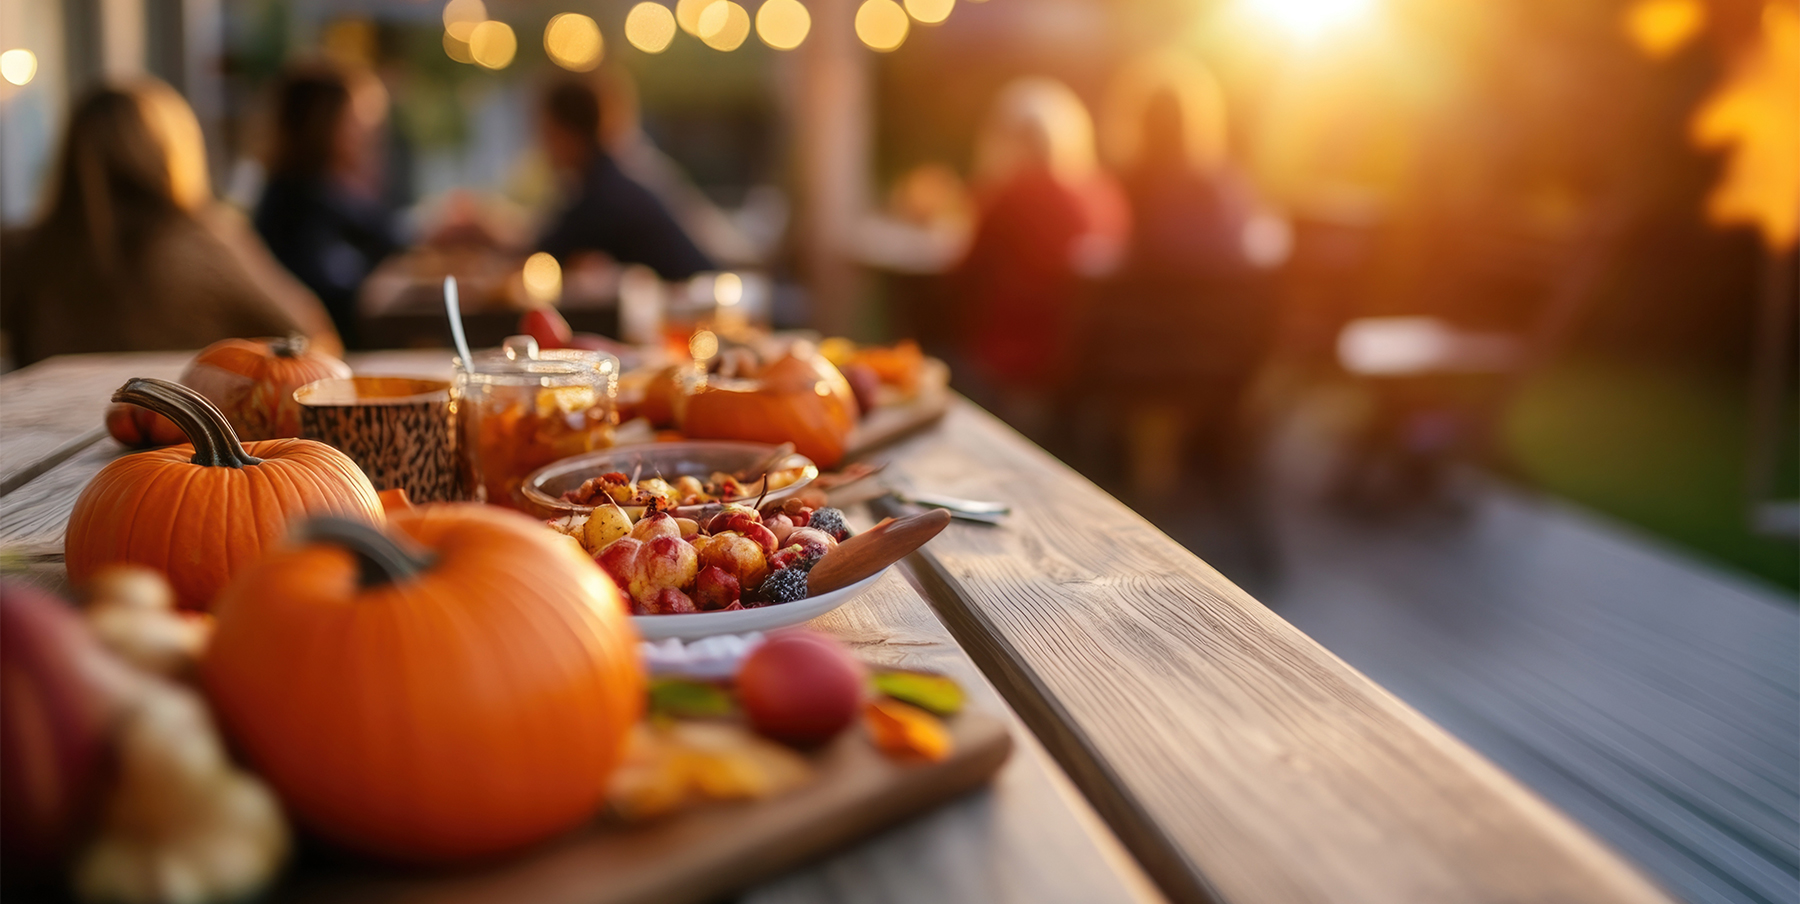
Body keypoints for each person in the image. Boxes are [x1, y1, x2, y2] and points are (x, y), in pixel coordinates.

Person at [2, 80, 339, 368]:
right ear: (171, 151)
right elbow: (311, 339)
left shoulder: (21, 253)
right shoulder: (207, 247)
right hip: (188, 436)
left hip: (48, 439)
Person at [952, 77, 1128, 435]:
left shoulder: (1008, 193)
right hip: (1092, 350)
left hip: (1017, 348)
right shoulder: (1100, 193)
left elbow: (962, 271)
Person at [255, 62, 403, 350]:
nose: (366, 133)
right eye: (354, 120)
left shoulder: (331, 192)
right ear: (321, 124)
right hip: (329, 356)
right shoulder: (296, 207)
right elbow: (338, 296)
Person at [535, 78, 713, 281]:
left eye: (546, 131)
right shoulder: (608, 179)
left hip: (690, 304)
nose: (542, 144)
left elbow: (546, 250)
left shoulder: (604, 195)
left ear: (567, 133)